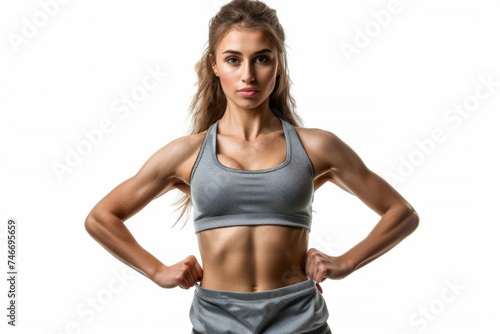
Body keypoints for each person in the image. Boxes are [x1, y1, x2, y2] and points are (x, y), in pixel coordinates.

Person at [84, 0, 419, 333]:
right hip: (215, 323)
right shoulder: (186, 154)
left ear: (279, 64)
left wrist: (345, 263)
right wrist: (157, 271)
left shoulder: (316, 147)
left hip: (300, 322)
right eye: (233, 60)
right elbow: (102, 218)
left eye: (262, 58)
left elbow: (400, 212)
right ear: (214, 65)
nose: (248, 75)